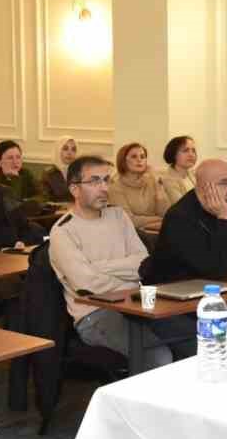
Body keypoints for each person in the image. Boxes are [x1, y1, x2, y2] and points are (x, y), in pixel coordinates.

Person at [51, 156, 189, 368]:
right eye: (95, 181)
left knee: (191, 340)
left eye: (107, 180)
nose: (104, 187)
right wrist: (129, 281)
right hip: (95, 315)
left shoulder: (117, 216)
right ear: (74, 189)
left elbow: (143, 264)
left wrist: (99, 267)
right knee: (158, 356)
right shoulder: (63, 231)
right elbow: (87, 285)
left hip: (136, 305)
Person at [139, 158, 227, 337]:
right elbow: (212, 271)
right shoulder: (180, 218)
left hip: (226, 294)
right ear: (204, 187)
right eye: (224, 183)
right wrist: (224, 220)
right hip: (181, 302)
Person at [107, 142, 172, 232]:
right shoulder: (115, 188)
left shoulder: (151, 181)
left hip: (158, 232)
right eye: (134, 157)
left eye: (142, 157)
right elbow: (128, 220)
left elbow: (166, 213)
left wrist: (158, 186)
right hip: (133, 235)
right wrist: (159, 219)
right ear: (123, 161)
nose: (139, 160)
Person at [0, 139, 45, 206]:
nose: (15, 162)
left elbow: (43, 196)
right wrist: (15, 179)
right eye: (10, 158)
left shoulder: (26, 173)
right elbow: (12, 204)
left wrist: (26, 202)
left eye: (18, 157)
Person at [158, 135, 198, 207]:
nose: (191, 154)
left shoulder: (194, 175)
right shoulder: (168, 179)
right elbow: (183, 207)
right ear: (173, 154)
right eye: (185, 150)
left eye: (193, 151)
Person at [41, 137, 78, 202]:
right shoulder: (49, 173)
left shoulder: (80, 172)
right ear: (58, 150)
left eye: (73, 149)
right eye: (65, 149)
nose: (70, 153)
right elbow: (44, 200)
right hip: (56, 210)